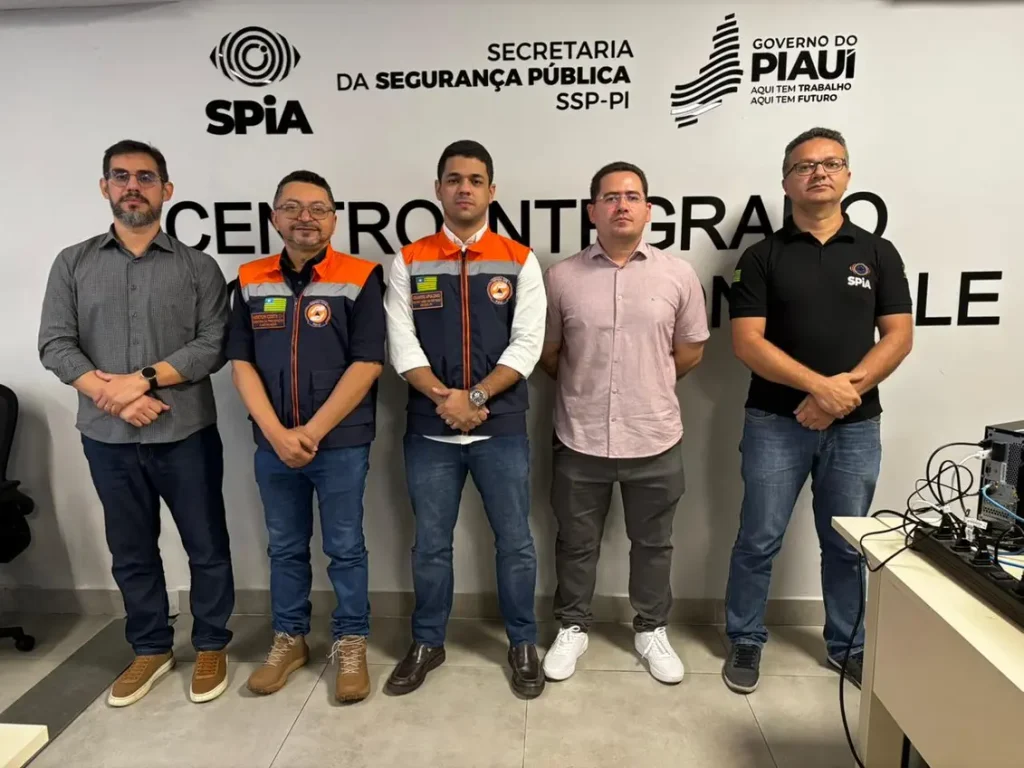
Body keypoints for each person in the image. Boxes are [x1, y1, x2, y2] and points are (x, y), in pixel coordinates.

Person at [38, 139, 234, 706]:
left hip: (185, 433)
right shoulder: (72, 263)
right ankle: (149, 647)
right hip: (108, 438)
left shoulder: (198, 267)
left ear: (166, 191)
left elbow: (211, 345)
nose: (133, 187)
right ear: (105, 187)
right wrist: (116, 395)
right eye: (121, 177)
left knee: (207, 544)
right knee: (130, 549)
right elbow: (55, 344)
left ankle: (212, 642)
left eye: (146, 178)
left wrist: (142, 379)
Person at [722, 127, 913, 694]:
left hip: (856, 428)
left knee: (845, 542)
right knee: (758, 536)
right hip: (774, 425)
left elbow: (898, 336)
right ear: (787, 181)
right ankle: (746, 639)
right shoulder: (761, 257)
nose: (819, 173)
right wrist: (817, 390)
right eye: (805, 166)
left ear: (848, 176)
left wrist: (840, 396)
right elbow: (747, 343)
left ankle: (846, 647)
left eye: (831, 163)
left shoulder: (878, 252)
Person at [383, 140, 547, 698]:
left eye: (475, 180)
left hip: (500, 429)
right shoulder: (407, 259)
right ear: (438, 190)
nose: (464, 189)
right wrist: (443, 398)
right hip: (429, 432)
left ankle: (523, 641)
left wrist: (473, 397)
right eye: (454, 179)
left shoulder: (520, 259)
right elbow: (401, 345)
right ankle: (428, 640)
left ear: (491, 191)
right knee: (430, 543)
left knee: (515, 542)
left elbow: (527, 346)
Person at [538, 162, 709, 684]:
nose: (621, 205)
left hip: (654, 435)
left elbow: (690, 351)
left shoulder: (677, 275)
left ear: (648, 209)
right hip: (580, 434)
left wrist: (645, 385)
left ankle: (651, 628)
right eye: (610, 197)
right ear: (592, 210)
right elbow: (549, 353)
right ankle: (572, 626)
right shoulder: (561, 276)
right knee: (575, 542)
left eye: (632, 196)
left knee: (654, 544)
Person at [226, 170, 385, 703]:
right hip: (273, 444)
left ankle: (351, 640)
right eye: (292, 208)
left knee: (345, 547)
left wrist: (311, 432)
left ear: (335, 218)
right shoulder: (249, 278)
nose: (305, 218)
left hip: (339, 442)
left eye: (318, 208)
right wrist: (276, 433)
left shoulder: (361, 276)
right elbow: (240, 362)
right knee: (286, 547)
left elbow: (368, 362)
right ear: (274, 218)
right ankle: (289, 639)